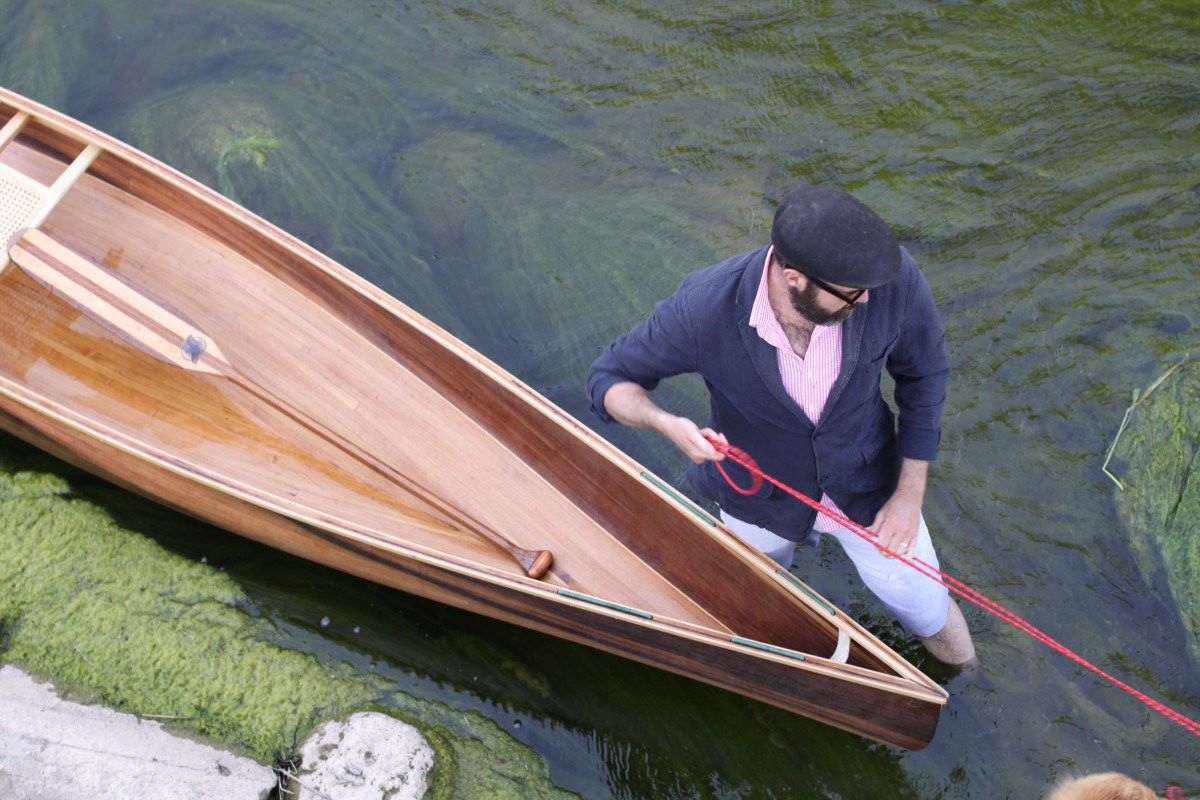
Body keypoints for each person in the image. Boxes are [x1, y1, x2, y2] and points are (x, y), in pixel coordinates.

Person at [586, 185, 975, 666]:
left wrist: (909, 493)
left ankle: (969, 675)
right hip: (758, 498)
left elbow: (925, 373)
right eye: (854, 295)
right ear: (795, 278)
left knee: (929, 611)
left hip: (872, 489)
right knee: (756, 608)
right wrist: (665, 423)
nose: (871, 299)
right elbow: (610, 380)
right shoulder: (705, 307)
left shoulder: (887, 281)